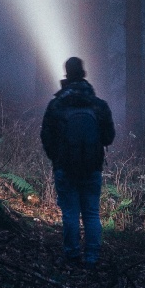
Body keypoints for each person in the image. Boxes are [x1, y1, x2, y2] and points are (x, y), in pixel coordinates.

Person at [41, 55, 116, 268]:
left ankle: (72, 256)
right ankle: (92, 257)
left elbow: (46, 136)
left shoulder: (56, 105)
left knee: (70, 213)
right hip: (92, 169)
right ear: (84, 74)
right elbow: (109, 137)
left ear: (66, 74)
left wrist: (57, 159)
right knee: (92, 213)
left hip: (65, 168)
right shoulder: (98, 105)